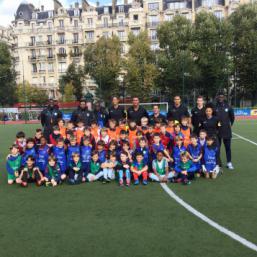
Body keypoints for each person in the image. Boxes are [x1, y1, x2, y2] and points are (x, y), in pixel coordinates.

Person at [215, 93, 235, 170]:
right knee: (217, 148)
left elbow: (232, 118)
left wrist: (229, 125)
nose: (220, 98)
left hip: (227, 130)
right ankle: (218, 163)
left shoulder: (228, 106)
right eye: (219, 97)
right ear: (217, 98)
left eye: (222, 97)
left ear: (224, 98)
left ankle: (229, 162)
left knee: (228, 148)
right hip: (217, 131)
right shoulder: (215, 106)